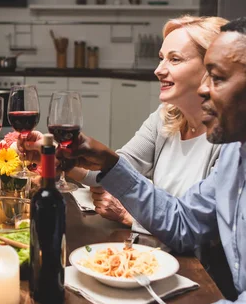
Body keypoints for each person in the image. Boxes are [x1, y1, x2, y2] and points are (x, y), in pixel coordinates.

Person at [57, 12, 246, 304]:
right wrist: (111, 166)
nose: (203, 90)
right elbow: (184, 222)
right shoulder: (240, 153)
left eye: (217, 77)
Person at [68, 16, 226, 235]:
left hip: (194, 262)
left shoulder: (230, 138)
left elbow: (206, 229)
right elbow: (115, 173)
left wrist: (131, 217)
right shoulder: (165, 118)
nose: (158, 70)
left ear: (211, 68)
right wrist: (59, 158)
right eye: (161, 58)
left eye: (175, 59)